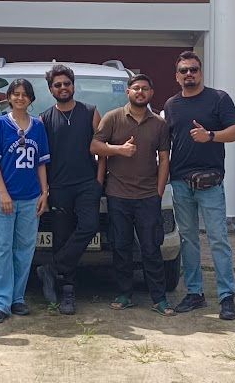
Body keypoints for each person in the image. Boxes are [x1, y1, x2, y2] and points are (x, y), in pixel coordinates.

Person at [163, 51, 235, 321]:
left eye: (193, 70)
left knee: (218, 239)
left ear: (201, 72)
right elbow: (166, 145)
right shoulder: (171, 105)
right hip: (181, 182)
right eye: (184, 70)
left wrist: (210, 135)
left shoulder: (218, 99)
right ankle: (195, 293)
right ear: (177, 76)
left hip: (209, 182)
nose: (189, 74)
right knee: (188, 240)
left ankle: (226, 296)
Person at [94, 73, 171, 315]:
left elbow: (165, 159)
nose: (140, 92)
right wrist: (119, 150)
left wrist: (158, 191)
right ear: (128, 92)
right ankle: (125, 294)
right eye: (135, 88)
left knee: (151, 248)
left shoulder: (159, 124)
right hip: (118, 194)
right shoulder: (112, 118)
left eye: (145, 89)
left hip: (148, 195)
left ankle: (159, 298)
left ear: (151, 93)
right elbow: (95, 146)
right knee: (121, 247)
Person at [0, 78, 50, 324]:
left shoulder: (38, 127)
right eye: (16, 93)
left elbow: (41, 163)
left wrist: (44, 192)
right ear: (9, 97)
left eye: (25, 94)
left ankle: (17, 297)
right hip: (5, 198)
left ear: (31, 99)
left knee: (23, 249)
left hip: (30, 197)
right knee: (0, 249)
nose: (20, 97)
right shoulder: (0, 125)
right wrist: (3, 193)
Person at [37, 64, 103, 315]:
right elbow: (42, 158)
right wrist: (46, 190)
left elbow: (101, 148)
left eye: (66, 83)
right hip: (59, 187)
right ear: (51, 89)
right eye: (57, 85)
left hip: (87, 184)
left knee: (89, 226)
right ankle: (67, 292)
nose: (63, 88)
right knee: (61, 238)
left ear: (73, 85)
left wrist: (98, 181)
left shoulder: (91, 112)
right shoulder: (44, 119)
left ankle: (51, 268)